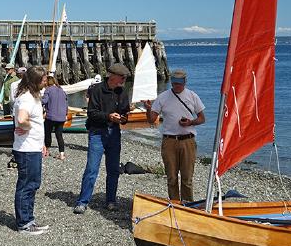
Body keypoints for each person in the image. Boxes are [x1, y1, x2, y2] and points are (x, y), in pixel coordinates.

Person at [73, 63, 130, 214]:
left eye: (125, 77)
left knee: (113, 169)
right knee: (92, 168)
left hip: (114, 133)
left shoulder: (122, 92)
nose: (124, 79)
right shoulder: (97, 90)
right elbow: (92, 113)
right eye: (122, 77)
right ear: (112, 76)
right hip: (97, 132)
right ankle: (82, 201)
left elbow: (125, 113)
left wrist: (123, 118)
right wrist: (109, 116)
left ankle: (111, 200)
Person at [144, 69, 205, 202]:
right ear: (171, 82)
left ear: (185, 82)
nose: (177, 85)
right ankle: (175, 204)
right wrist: (148, 109)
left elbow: (202, 118)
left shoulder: (192, 96)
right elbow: (151, 119)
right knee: (171, 178)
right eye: (174, 82)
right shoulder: (163, 97)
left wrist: (190, 122)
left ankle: (188, 205)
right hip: (169, 141)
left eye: (180, 82)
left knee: (187, 178)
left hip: (188, 140)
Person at [12, 65, 49, 235]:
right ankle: (24, 223)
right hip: (26, 149)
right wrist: (25, 127)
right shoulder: (26, 98)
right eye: (43, 79)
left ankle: (29, 219)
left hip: (32, 146)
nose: (46, 81)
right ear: (35, 81)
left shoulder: (33, 96)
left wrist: (41, 143)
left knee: (33, 184)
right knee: (28, 184)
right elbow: (22, 118)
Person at [42, 75, 68, 160]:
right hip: (61, 117)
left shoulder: (48, 90)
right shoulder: (62, 90)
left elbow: (44, 101)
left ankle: (47, 150)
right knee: (59, 135)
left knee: (47, 133)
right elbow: (66, 104)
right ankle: (62, 154)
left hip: (51, 116)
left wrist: (37, 99)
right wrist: (66, 114)